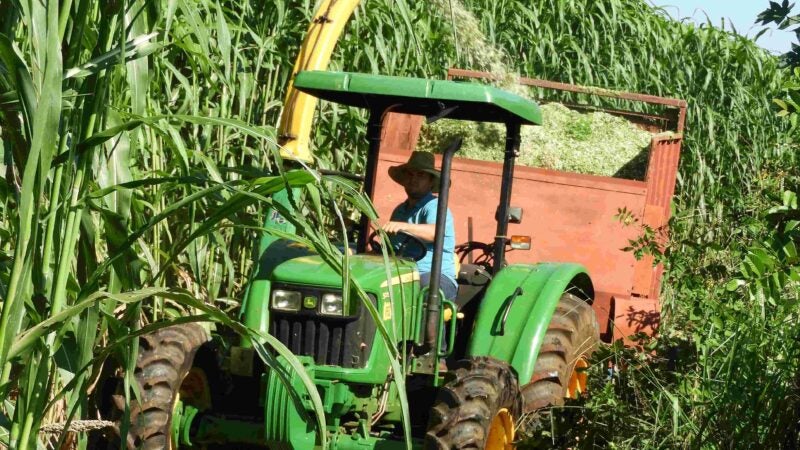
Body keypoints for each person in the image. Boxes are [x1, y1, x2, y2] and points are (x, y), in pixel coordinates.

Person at [383, 151, 458, 300]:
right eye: (410, 174)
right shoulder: (400, 210)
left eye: (420, 175)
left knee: (423, 290)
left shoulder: (435, 205)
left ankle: (430, 316)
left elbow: (434, 233)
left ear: (431, 182)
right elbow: (388, 248)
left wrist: (403, 226)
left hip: (434, 275)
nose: (414, 179)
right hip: (402, 273)